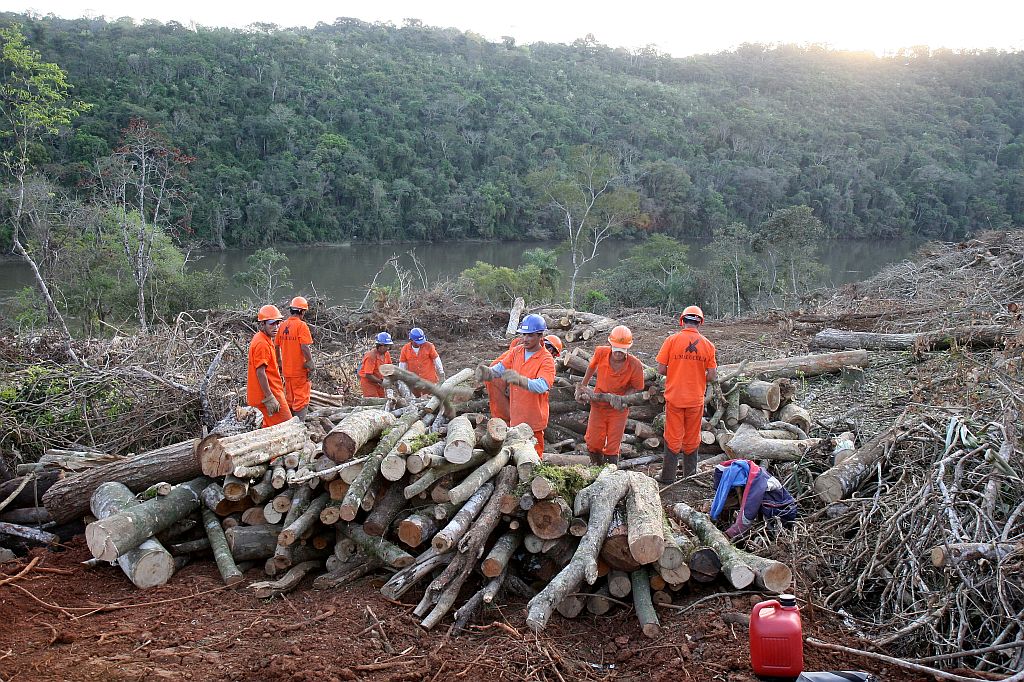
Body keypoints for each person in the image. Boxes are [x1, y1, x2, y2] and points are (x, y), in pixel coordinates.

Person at [476, 314, 555, 457]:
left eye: (530, 335)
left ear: (540, 336)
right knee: (514, 455)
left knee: (534, 458)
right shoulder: (517, 351)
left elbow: (543, 385)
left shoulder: (546, 360)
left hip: (533, 420)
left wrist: (520, 380)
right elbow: (500, 368)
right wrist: (488, 373)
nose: (525, 339)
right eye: (524, 335)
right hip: (516, 417)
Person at [655, 305, 717, 484]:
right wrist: (697, 375)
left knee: (672, 436)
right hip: (695, 398)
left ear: (682, 320)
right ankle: (690, 475)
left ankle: (668, 477)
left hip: (674, 397)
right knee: (692, 436)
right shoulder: (708, 345)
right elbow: (712, 375)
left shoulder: (671, 340)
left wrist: (676, 371)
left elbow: (660, 369)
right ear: (700, 322)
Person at [576, 325, 645, 466]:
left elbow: (638, 387)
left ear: (627, 348)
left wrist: (623, 399)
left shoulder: (635, 365)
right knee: (593, 441)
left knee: (613, 445)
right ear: (611, 345)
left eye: (622, 350)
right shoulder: (601, 353)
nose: (618, 353)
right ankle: (596, 467)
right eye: (616, 349)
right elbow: (591, 367)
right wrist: (583, 386)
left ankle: (610, 471)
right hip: (598, 404)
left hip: (618, 409)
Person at [710, 459, 797, 539]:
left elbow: (747, 516)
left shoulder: (756, 484)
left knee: (749, 511)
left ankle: (768, 536)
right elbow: (721, 496)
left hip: (781, 512)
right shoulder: (743, 473)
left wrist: (728, 535)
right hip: (768, 509)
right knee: (728, 503)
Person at [247, 304, 292, 427]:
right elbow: (260, 372)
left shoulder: (263, 338)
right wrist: (270, 397)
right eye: (272, 323)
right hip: (269, 394)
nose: (276, 327)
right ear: (262, 324)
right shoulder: (262, 343)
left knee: (270, 427)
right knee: (287, 426)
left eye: (278, 323)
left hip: (266, 393)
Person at [275, 296, 314, 419]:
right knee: (301, 398)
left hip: (287, 370)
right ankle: (299, 424)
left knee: (290, 397)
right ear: (302, 311)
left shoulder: (282, 325)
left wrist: (279, 362)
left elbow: (276, 346)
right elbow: (304, 347)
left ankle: (289, 421)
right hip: (299, 370)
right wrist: (310, 362)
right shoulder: (301, 326)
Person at [398, 327, 445, 396]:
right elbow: (402, 365)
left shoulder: (428, 346)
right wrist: (401, 377)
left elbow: (436, 359)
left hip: (429, 381)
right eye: (417, 342)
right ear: (411, 340)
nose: (420, 344)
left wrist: (441, 372)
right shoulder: (405, 349)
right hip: (414, 382)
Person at [359, 332, 393, 398]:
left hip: (379, 382)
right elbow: (368, 375)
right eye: (386, 346)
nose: (387, 348)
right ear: (380, 345)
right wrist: (381, 381)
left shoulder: (386, 354)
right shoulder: (371, 356)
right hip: (369, 383)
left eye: (388, 346)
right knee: (374, 402)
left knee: (383, 401)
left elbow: (389, 367)